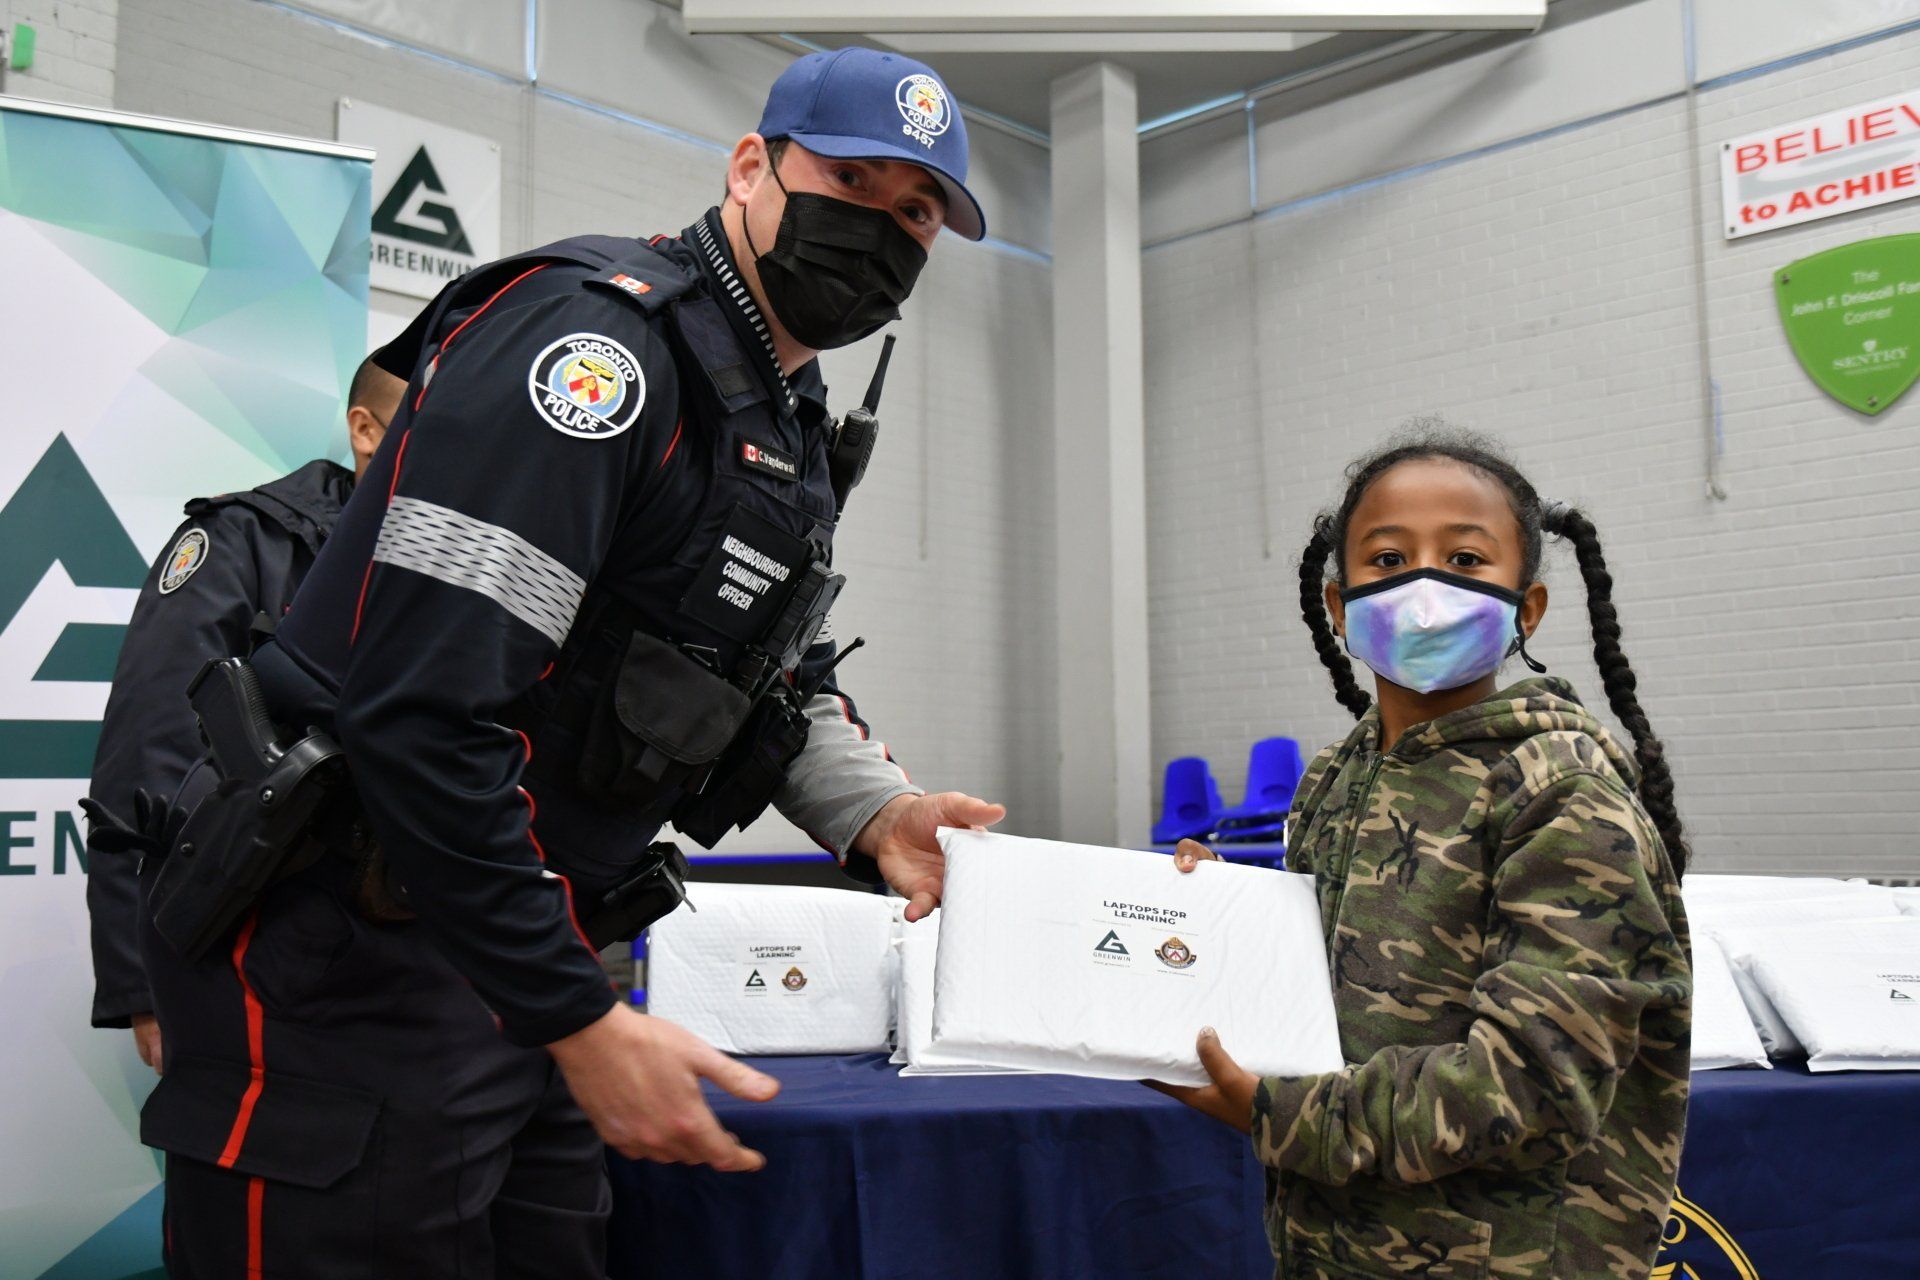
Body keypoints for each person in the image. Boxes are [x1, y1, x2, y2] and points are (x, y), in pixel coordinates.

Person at [133, 47, 1005, 1279]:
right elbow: (421, 710)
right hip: (357, 954)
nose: (883, 230)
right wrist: (581, 1017)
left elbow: (760, 677)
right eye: (854, 180)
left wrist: (882, 816)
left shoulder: (781, 426)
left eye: (917, 212)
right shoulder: (595, 352)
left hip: (525, 960)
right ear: (752, 165)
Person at [1161, 426, 1692, 1279]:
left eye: (1468, 560)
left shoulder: (1560, 791)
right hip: (1336, 1250)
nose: (1423, 587)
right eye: (1386, 559)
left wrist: (1278, 1111)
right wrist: (1227, 919)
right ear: (1338, 607)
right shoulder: (1336, 776)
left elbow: (1530, 1084)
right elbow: (1316, 986)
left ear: (1528, 607)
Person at [84, 354, 405, 1074]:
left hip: (422, 969)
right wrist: (143, 981)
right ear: (366, 429)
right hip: (257, 959)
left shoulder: (469, 567)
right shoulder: (248, 542)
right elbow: (151, 749)